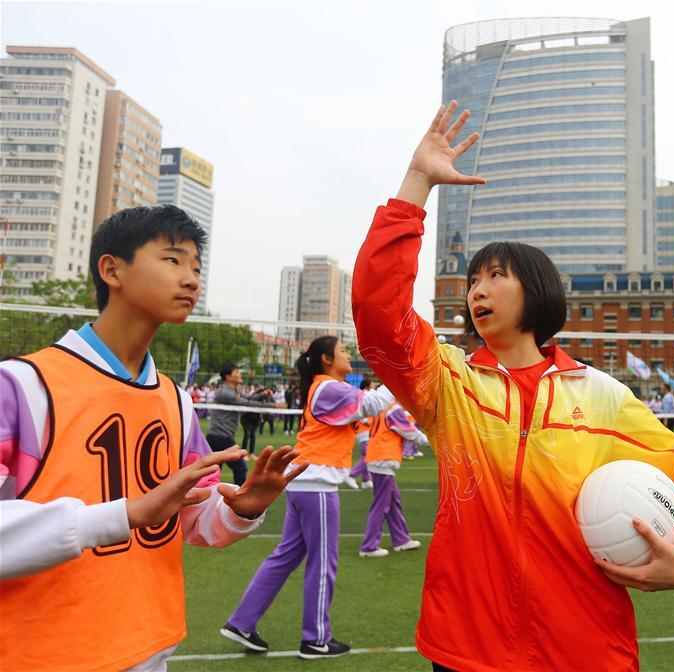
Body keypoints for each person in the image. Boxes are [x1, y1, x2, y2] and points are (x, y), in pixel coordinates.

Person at [351, 101, 674, 671]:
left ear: (537, 290)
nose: (477, 290)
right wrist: (417, 184)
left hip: (584, 651)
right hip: (466, 650)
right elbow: (377, 310)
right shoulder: (450, 382)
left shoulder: (602, 396)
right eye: (472, 281)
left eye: (495, 276)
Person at [0, 205, 305, 671]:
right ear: (112, 270)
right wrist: (123, 515)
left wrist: (241, 509)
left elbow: (192, 517)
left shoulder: (175, 401)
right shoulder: (22, 386)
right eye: (172, 260)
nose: (191, 280)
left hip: (148, 648)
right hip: (39, 654)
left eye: (197, 268)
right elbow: (139, 512)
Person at [221, 336, 395, 660]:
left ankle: (242, 622)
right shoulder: (328, 388)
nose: (348, 354)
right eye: (342, 350)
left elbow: (365, 408)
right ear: (327, 359)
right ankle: (316, 639)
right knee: (322, 562)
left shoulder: (325, 388)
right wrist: (403, 372)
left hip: (303, 483)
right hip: (316, 486)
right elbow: (372, 404)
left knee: (285, 556)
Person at [358, 401, 427, 557]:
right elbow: (409, 432)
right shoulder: (393, 409)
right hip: (383, 459)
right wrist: (433, 441)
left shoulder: (384, 406)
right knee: (381, 505)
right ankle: (369, 546)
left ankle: (401, 539)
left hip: (379, 458)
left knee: (393, 501)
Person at [207, 365, 281, 486]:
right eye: (236, 372)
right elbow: (246, 403)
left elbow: (248, 398)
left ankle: (210, 493)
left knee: (213, 471)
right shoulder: (225, 393)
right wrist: (274, 406)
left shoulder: (233, 391)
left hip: (218, 437)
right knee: (240, 468)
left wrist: (263, 395)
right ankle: (240, 494)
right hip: (220, 438)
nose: (240, 374)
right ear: (228, 376)